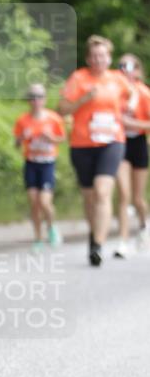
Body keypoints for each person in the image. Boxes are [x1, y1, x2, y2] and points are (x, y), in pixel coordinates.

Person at [58, 35, 131, 266]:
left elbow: (132, 96)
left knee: (102, 191)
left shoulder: (118, 79)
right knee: (89, 197)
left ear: (109, 58)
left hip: (112, 142)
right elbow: (61, 109)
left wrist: (129, 109)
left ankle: (98, 244)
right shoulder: (78, 78)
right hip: (82, 144)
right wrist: (84, 99)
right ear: (88, 58)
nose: (98, 59)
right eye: (94, 56)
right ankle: (94, 233)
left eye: (103, 55)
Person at [13, 84, 66, 251]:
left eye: (39, 97)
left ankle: (51, 227)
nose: (36, 100)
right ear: (28, 100)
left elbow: (62, 138)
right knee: (34, 203)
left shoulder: (53, 118)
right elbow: (16, 144)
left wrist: (51, 138)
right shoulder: (23, 120)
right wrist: (22, 138)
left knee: (45, 202)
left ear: (45, 99)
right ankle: (37, 239)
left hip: (47, 164)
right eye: (32, 97)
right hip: (31, 163)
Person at [115, 53, 150, 256]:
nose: (125, 70)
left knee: (137, 198)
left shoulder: (144, 93)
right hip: (119, 143)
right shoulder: (114, 91)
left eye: (129, 66)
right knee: (124, 194)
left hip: (138, 143)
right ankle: (123, 241)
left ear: (137, 70)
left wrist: (131, 123)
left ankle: (144, 225)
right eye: (121, 66)